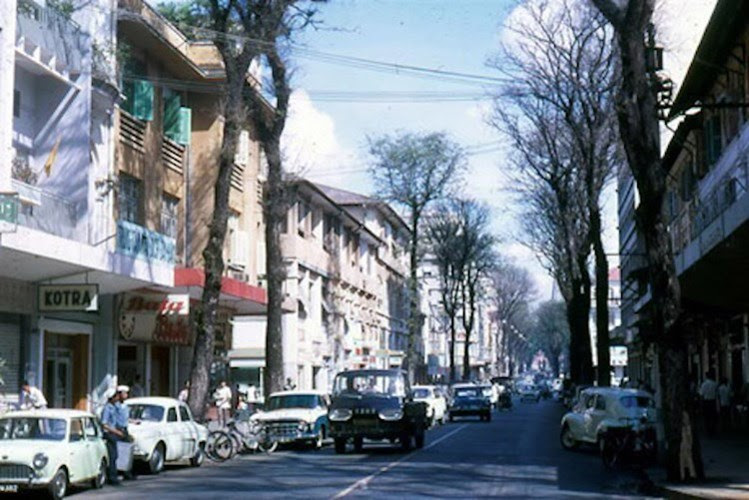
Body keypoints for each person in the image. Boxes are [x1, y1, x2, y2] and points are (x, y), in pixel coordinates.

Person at [101, 385, 131, 485]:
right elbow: (104, 424)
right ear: (112, 397)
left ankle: (120, 474)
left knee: (117, 455)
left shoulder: (113, 407)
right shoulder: (107, 408)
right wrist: (117, 432)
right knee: (112, 456)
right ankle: (112, 478)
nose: (118, 397)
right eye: (116, 396)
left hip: (114, 432)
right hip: (109, 434)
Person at [699, 370, 718, 436]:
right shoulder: (715, 384)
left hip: (706, 401)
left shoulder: (704, 384)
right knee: (713, 416)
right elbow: (716, 394)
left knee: (706, 416)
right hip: (713, 401)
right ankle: (713, 429)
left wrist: (701, 403)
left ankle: (708, 429)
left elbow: (701, 394)